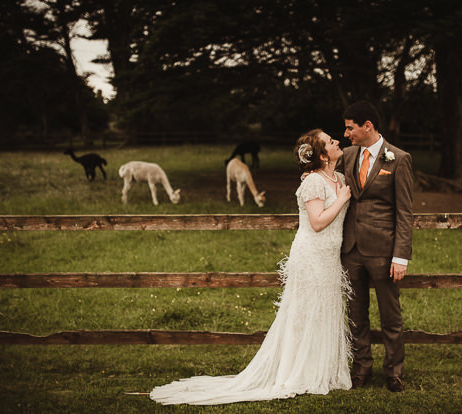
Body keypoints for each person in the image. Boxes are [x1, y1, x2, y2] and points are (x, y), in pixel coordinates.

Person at [150, 129, 352, 405]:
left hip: (330, 256)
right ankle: (297, 371)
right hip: (312, 255)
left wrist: (341, 193)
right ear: (320, 154)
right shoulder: (313, 182)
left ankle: (322, 368)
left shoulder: (338, 177)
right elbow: (317, 223)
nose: (337, 141)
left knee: (324, 309)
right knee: (305, 312)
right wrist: (341, 199)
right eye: (331, 142)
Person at [336, 101, 413, 393]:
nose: (346, 133)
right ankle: (361, 369)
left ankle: (393, 372)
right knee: (356, 314)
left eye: (350, 127)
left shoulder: (399, 159)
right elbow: (327, 176)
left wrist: (401, 256)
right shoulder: (347, 155)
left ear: (367, 126)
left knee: (390, 314)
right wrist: (309, 176)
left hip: (383, 251)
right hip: (351, 249)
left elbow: (405, 212)